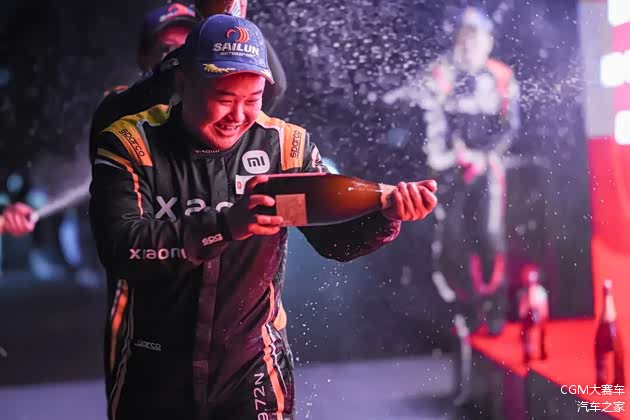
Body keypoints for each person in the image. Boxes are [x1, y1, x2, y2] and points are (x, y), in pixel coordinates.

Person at [90, 14, 438, 420]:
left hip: (252, 371)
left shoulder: (285, 146)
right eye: (224, 98)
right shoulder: (130, 142)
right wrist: (225, 225)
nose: (238, 115)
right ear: (183, 83)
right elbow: (120, 248)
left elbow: (333, 243)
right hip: (154, 369)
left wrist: (386, 217)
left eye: (253, 99)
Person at [384, 6, 519, 405]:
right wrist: (448, 158)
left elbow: (510, 126)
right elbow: (429, 124)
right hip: (448, 170)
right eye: (464, 36)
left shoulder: (502, 76)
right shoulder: (440, 73)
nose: (469, 44)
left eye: (476, 37)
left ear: (488, 42)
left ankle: (495, 307)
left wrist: (483, 157)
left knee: (490, 235)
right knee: (452, 242)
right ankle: (465, 310)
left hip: (487, 167)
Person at [89, 0, 287, 161]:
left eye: (187, 43)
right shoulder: (120, 102)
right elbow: (157, 92)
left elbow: (275, 87)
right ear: (143, 55)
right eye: (166, 48)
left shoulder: (226, 110)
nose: (177, 53)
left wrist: (237, 30)